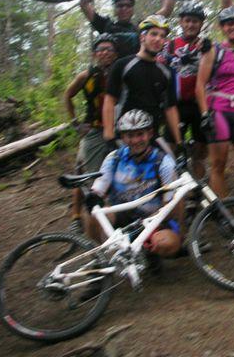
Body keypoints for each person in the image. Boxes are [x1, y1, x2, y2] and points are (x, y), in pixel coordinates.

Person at [86, 110, 181, 258]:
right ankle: (100, 256)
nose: (135, 140)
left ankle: (151, 255)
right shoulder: (114, 158)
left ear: (150, 134)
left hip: (153, 220)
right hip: (121, 217)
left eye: (140, 134)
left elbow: (170, 205)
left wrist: (146, 226)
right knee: (95, 215)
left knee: (168, 243)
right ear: (123, 137)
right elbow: (100, 186)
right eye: (130, 135)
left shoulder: (163, 162)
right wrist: (94, 196)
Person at [195, 7, 234, 198]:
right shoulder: (213, 50)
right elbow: (200, 85)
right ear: (222, 27)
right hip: (218, 111)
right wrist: (205, 114)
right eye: (229, 24)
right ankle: (224, 212)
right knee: (218, 165)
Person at [63, 34, 118, 233]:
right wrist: (75, 123)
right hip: (93, 130)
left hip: (116, 130)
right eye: (101, 49)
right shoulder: (86, 76)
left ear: (115, 54)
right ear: (95, 54)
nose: (105, 53)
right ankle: (78, 217)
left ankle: (109, 217)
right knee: (86, 176)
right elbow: (68, 95)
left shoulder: (119, 73)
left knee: (115, 174)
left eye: (109, 49)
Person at [102, 14, 181, 147]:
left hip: (152, 137)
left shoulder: (166, 72)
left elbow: (171, 108)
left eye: (162, 36)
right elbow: (110, 100)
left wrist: (179, 141)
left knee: (171, 166)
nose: (158, 39)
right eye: (153, 34)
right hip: (124, 137)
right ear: (142, 37)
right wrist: (109, 134)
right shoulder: (122, 65)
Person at [156, 1, 210, 177]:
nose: (191, 24)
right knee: (169, 151)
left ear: (201, 24)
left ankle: (198, 195)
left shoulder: (206, 46)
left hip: (199, 106)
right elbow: (158, 72)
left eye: (195, 21)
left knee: (200, 154)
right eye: (187, 20)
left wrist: (209, 49)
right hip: (175, 106)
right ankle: (171, 192)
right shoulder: (169, 45)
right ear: (181, 22)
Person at [80, 0, 176, 59]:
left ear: (132, 9)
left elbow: (166, 10)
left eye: (128, 5)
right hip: (112, 73)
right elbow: (84, 5)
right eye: (120, 6)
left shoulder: (141, 26)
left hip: (135, 72)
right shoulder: (106, 25)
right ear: (115, 9)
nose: (124, 8)